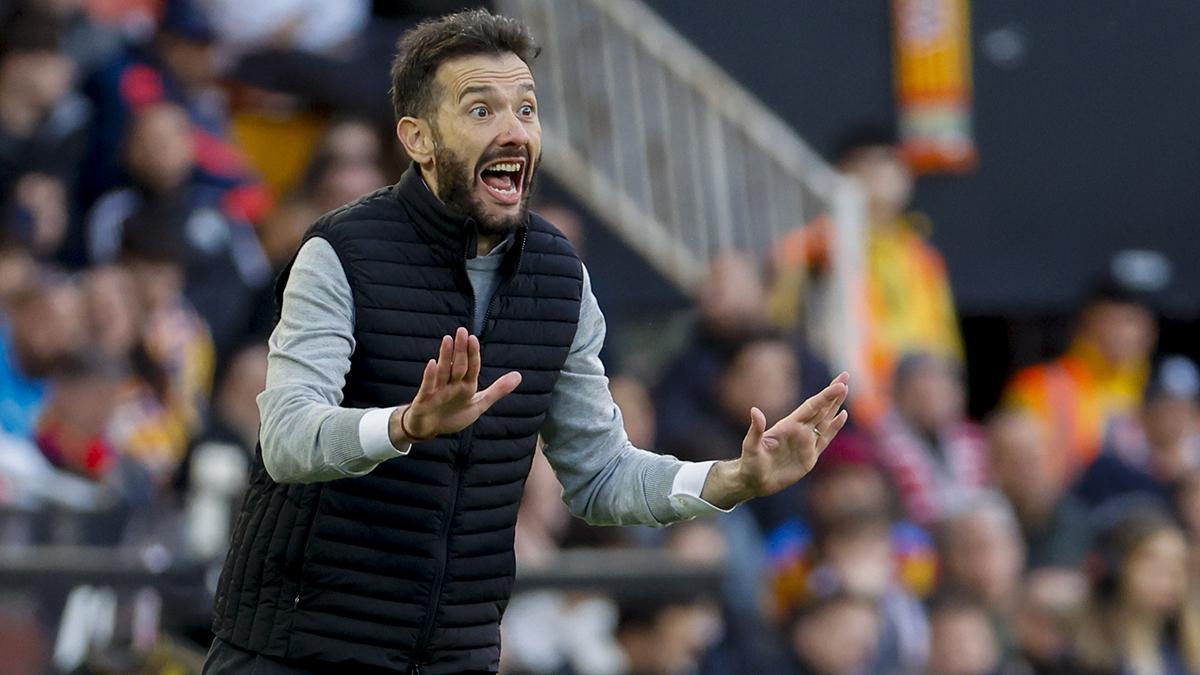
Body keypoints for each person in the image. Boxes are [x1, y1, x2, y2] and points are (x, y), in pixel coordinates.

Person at [205, 11, 851, 674]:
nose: (514, 130)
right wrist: (403, 425)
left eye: (527, 109)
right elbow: (286, 439)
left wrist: (732, 478)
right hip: (292, 652)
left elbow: (601, 474)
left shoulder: (561, 276)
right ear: (418, 138)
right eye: (481, 109)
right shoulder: (338, 253)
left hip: (452, 657)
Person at [770, 124, 963, 429]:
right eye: (869, 163)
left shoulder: (920, 252)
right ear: (842, 173)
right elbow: (779, 313)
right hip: (853, 406)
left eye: (891, 161)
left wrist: (945, 389)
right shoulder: (818, 243)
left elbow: (944, 336)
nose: (883, 173)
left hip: (917, 406)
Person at [1003, 255, 1161, 483]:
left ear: (1150, 330)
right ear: (1087, 323)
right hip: (1069, 498)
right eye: (1111, 319)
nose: (1121, 333)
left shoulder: (1160, 390)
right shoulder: (1040, 385)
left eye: (1132, 321)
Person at [1071, 502, 1200, 674]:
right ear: (1118, 567)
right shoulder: (1091, 652)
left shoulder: (1186, 643)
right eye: (1153, 564)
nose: (1170, 577)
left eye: (1179, 564)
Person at [873, 352, 989, 526]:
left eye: (939, 388)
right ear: (899, 397)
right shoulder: (880, 450)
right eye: (919, 392)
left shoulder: (975, 439)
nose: (931, 399)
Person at [1073, 355, 1200, 509]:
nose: (1174, 419)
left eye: (1183, 410)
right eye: (1166, 408)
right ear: (1145, 410)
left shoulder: (1194, 457)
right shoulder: (1116, 450)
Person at [988, 409, 1091, 569]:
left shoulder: (1072, 517)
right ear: (994, 465)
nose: (1027, 470)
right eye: (1015, 461)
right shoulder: (983, 520)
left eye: (1033, 458)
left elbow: (1057, 572)